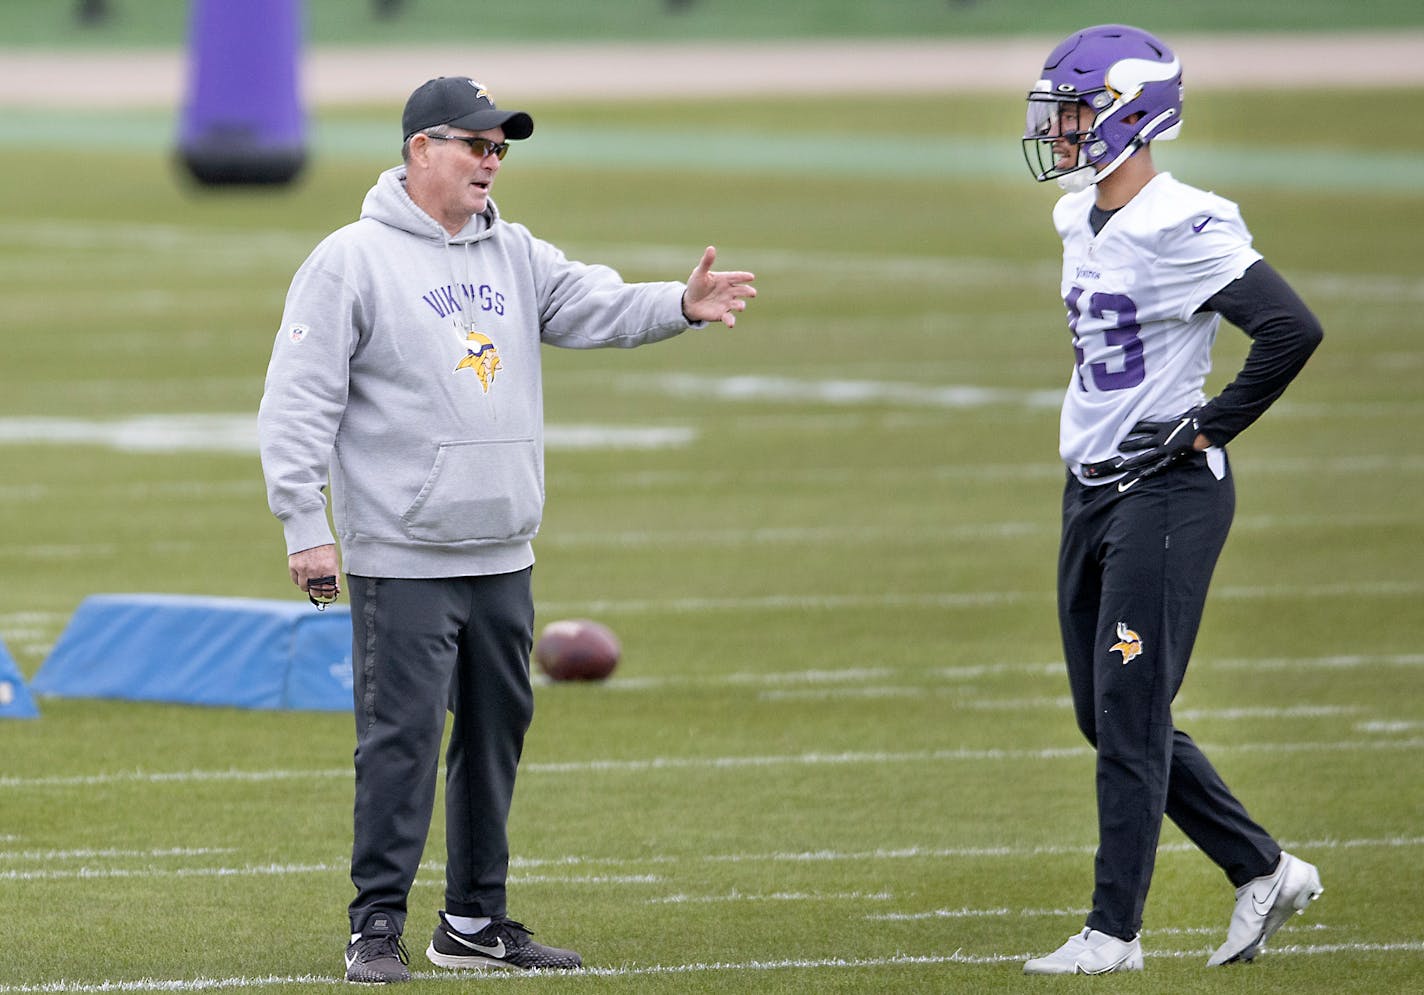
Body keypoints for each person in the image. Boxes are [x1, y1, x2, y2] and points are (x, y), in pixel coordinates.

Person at [257, 74, 755, 983]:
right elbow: (297, 404)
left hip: (502, 550)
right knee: (399, 745)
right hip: (400, 555)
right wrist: (304, 523)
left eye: (501, 148)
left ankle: (474, 922)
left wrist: (679, 306)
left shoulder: (513, 252)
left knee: (493, 740)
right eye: (475, 144)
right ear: (420, 150)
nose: (492, 161)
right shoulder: (351, 259)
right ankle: (375, 926)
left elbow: (593, 303)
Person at [1016, 25, 1325, 975]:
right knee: (1107, 713)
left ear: (1129, 115)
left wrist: (1207, 425)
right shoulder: (1081, 217)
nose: (1059, 132)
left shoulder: (1185, 220)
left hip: (1166, 490)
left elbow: (1288, 327)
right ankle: (1263, 867)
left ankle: (1114, 932)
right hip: (1093, 488)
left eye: (1073, 113)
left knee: (1132, 708)